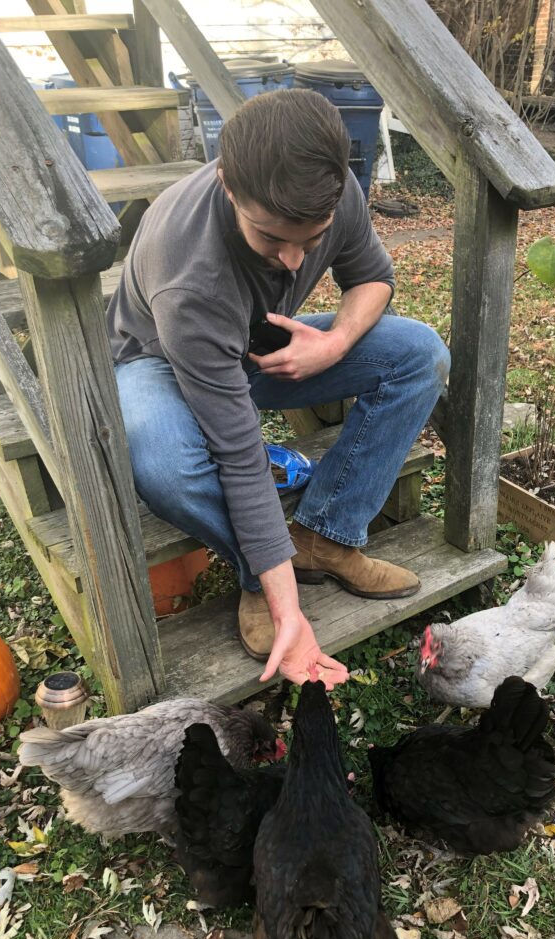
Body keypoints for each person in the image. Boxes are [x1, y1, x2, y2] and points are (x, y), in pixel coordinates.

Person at [108, 88, 450, 687]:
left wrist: (335, 342)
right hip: (158, 360)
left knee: (419, 354)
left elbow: (372, 276)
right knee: (163, 459)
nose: (294, 263)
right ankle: (258, 575)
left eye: (310, 242)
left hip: (261, 347)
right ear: (228, 186)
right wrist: (287, 608)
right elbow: (239, 456)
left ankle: (327, 535)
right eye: (271, 240)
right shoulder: (191, 279)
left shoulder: (332, 189)